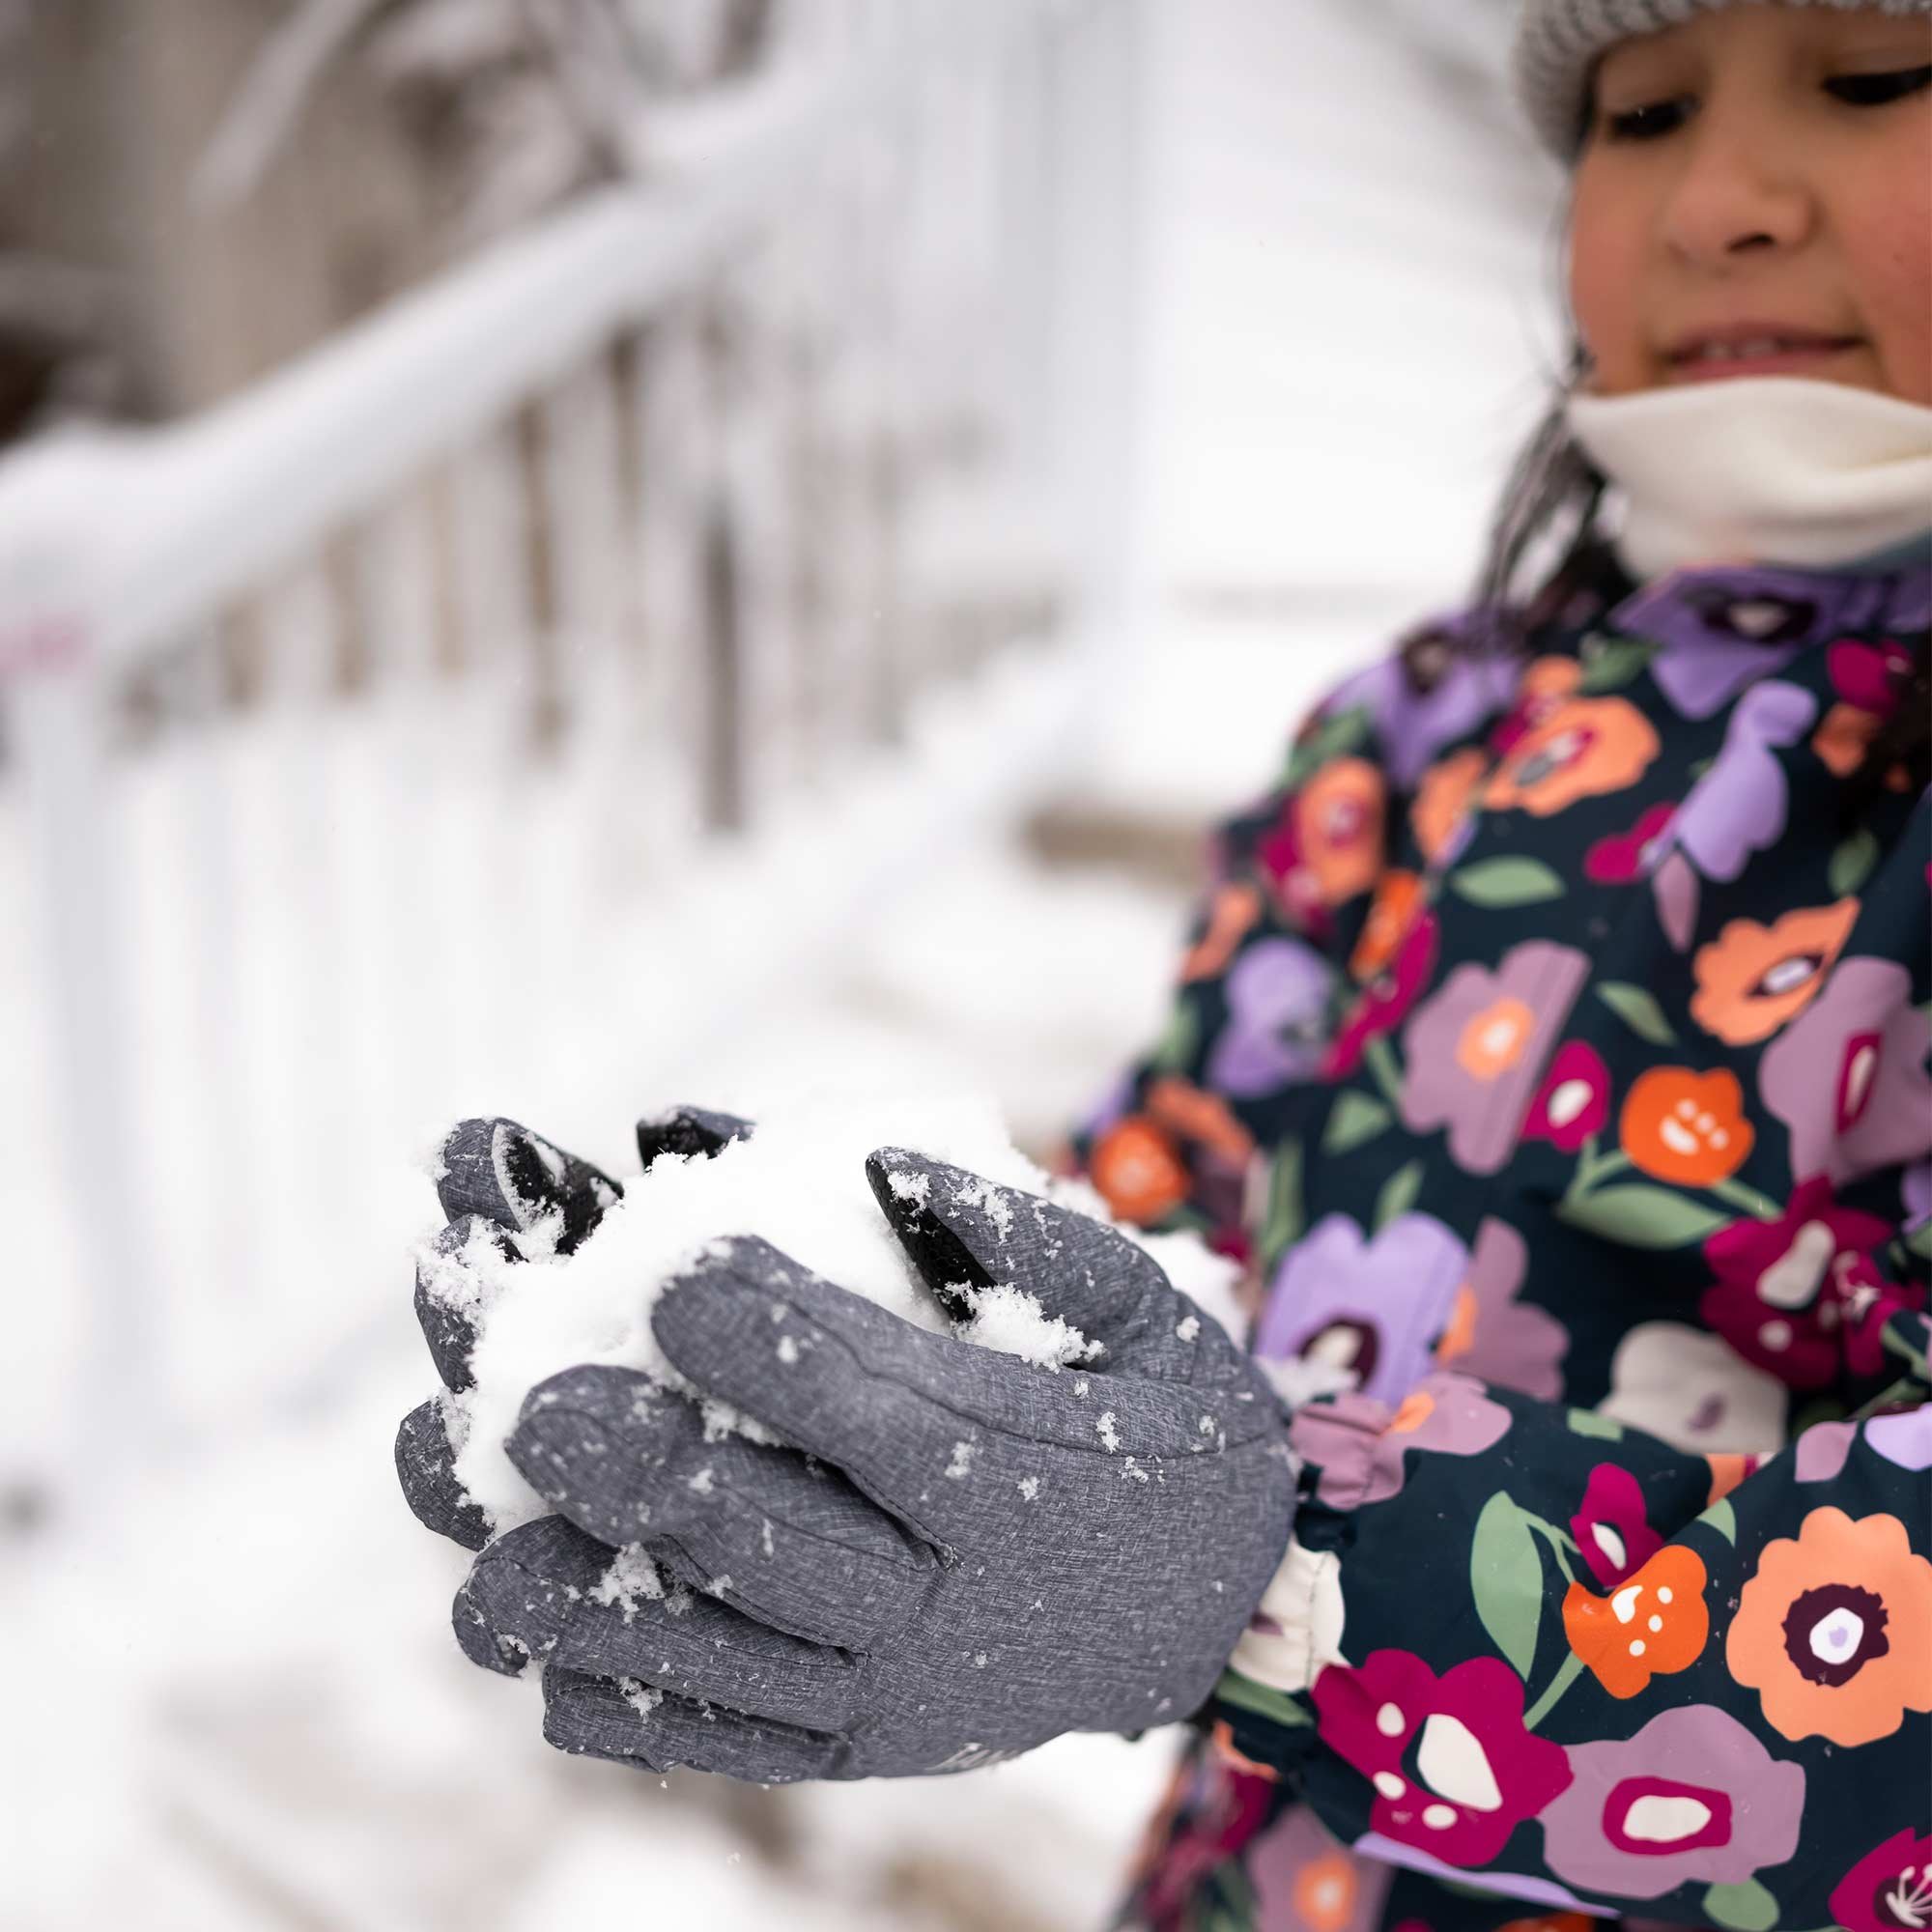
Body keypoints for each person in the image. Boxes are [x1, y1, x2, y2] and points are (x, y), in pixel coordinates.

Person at [395, 2, 1932, 1927]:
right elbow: (1175, 1217)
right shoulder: (1431, 733)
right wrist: (874, 1335)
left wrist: (1266, 1580)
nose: (1714, 198)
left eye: (1874, 78)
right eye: (1637, 113)